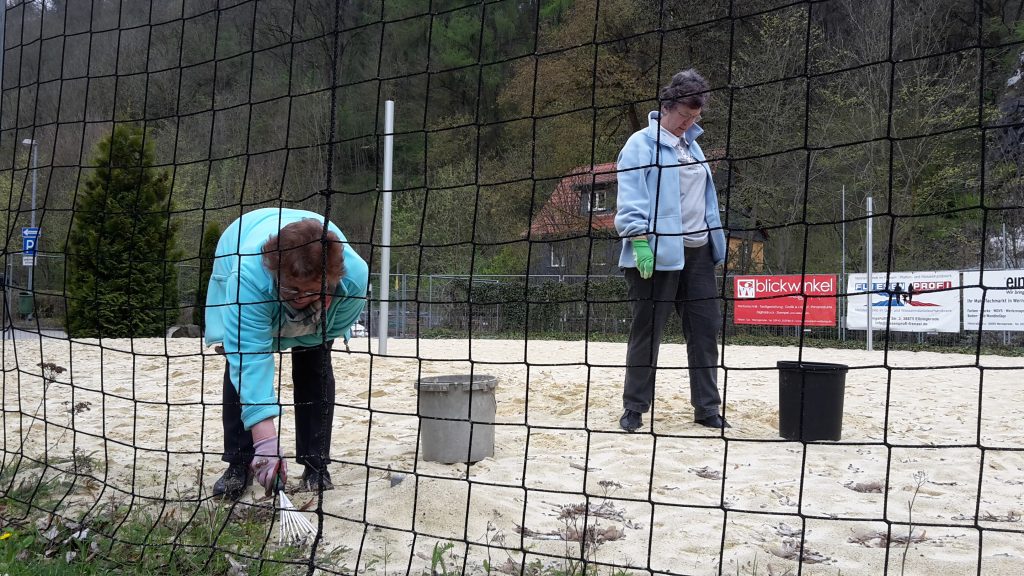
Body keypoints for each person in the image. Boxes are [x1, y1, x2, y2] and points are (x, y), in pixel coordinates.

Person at [205, 208, 368, 499]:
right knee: (238, 366)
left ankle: (316, 465)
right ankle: (239, 464)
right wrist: (266, 443)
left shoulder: (353, 280)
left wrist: (310, 312)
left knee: (314, 363)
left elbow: (329, 331)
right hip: (241, 245)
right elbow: (250, 359)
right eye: (294, 292)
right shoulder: (249, 276)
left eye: (312, 292)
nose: (303, 300)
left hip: (313, 292)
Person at [615, 69, 729, 432]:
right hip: (656, 253)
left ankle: (707, 409)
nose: (688, 123)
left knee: (705, 331)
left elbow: (704, 200)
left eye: (695, 118)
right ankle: (634, 408)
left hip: (697, 253)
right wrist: (638, 242)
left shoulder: (693, 146)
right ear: (667, 107)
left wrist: (716, 243)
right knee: (648, 330)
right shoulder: (640, 144)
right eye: (684, 116)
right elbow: (631, 198)